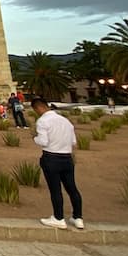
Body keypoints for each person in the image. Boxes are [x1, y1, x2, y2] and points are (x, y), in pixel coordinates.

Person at [31, 97, 83, 229]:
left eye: (36, 110)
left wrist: (35, 138)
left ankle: (58, 218)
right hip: (67, 158)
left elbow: (43, 141)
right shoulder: (66, 121)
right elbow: (73, 142)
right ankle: (78, 218)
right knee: (72, 189)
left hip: (51, 158)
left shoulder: (43, 121)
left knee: (55, 190)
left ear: (39, 108)